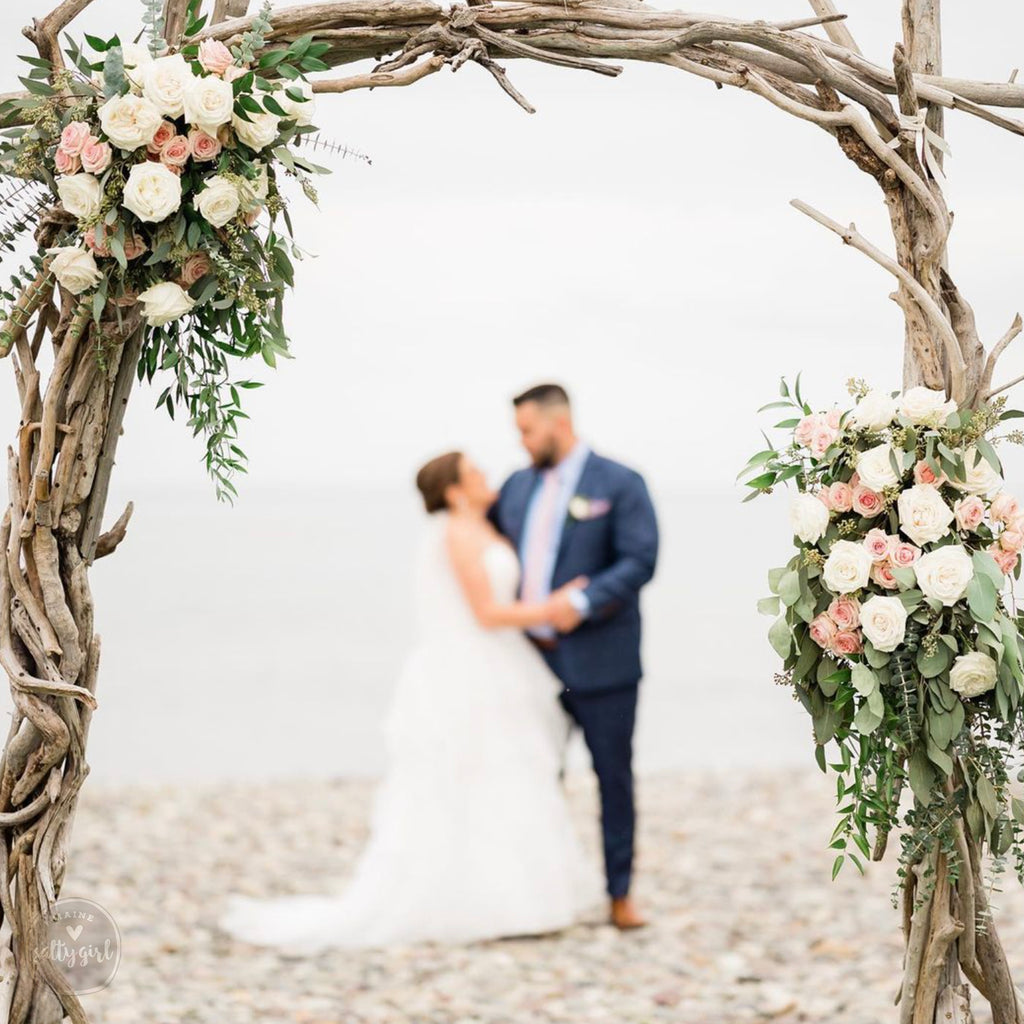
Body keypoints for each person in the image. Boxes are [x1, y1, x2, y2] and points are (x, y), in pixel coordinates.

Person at [217, 451, 603, 952]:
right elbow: (486, 613)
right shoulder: (457, 534)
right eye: (476, 473)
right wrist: (554, 608)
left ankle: (521, 897)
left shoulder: (481, 527)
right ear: (456, 490)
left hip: (498, 668)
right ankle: (480, 901)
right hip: (469, 672)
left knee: (506, 778)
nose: (487, 477)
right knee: (473, 778)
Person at [488, 383, 659, 929]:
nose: (521, 441)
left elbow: (640, 560)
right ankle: (537, 893)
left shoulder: (620, 482)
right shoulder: (515, 487)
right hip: (529, 663)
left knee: (612, 777)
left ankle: (619, 894)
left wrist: (581, 601)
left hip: (603, 661)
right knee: (534, 775)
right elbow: (485, 545)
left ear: (558, 424)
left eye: (527, 430)